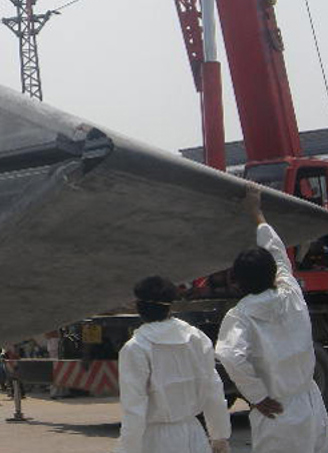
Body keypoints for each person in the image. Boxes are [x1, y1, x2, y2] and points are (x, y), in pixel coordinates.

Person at [215, 185, 328, 453]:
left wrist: (256, 396)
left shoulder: (241, 315)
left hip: (276, 411)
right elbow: (276, 250)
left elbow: (230, 355)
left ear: (238, 281)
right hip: (310, 401)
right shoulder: (291, 293)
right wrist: (256, 211)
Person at [115, 276, 231, 453]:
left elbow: (134, 410)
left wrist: (127, 449)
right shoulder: (196, 338)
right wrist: (219, 436)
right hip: (194, 435)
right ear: (170, 306)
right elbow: (213, 390)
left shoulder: (136, 348)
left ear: (138, 307)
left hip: (155, 441)